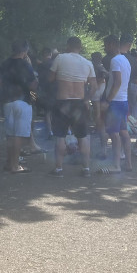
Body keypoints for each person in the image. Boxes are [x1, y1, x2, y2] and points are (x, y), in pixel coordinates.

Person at [48, 36, 96, 177]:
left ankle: (58, 169)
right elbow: (94, 86)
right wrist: (87, 99)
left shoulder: (60, 58)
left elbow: (50, 79)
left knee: (60, 136)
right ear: (80, 47)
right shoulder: (87, 63)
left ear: (68, 46)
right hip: (79, 103)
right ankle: (86, 169)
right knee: (83, 136)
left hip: (62, 102)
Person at [0, 40, 38, 174]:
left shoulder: (4, 64)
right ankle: (15, 166)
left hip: (7, 102)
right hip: (22, 102)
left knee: (10, 135)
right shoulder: (25, 65)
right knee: (18, 136)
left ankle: (9, 163)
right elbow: (33, 85)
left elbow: (0, 83)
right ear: (24, 51)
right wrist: (34, 96)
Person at [99, 34, 133, 173]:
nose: (105, 48)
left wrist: (108, 100)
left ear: (112, 44)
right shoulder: (125, 60)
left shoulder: (115, 60)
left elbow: (118, 82)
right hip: (124, 101)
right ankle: (129, 164)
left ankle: (116, 165)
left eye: (106, 45)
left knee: (114, 134)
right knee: (124, 133)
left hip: (115, 102)